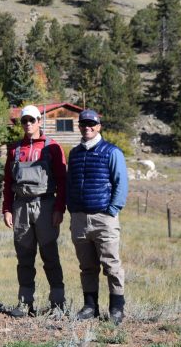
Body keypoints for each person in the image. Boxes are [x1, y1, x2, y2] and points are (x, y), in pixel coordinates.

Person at [2, 105, 66, 317]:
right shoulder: (14, 149)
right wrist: (7, 209)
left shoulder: (52, 148)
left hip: (45, 206)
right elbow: (8, 182)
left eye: (32, 120)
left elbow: (62, 181)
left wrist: (59, 208)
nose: (28, 124)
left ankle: (58, 304)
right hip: (21, 207)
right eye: (24, 121)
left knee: (50, 256)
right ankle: (25, 303)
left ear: (39, 121)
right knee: (24, 257)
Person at [67, 109, 128, 325]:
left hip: (104, 218)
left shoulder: (112, 152)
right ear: (79, 126)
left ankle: (117, 308)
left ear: (99, 126)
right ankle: (90, 307)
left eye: (91, 124)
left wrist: (112, 210)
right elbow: (70, 182)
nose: (87, 127)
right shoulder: (74, 153)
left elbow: (121, 183)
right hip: (79, 219)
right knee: (87, 267)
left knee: (111, 265)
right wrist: (72, 209)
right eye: (83, 124)